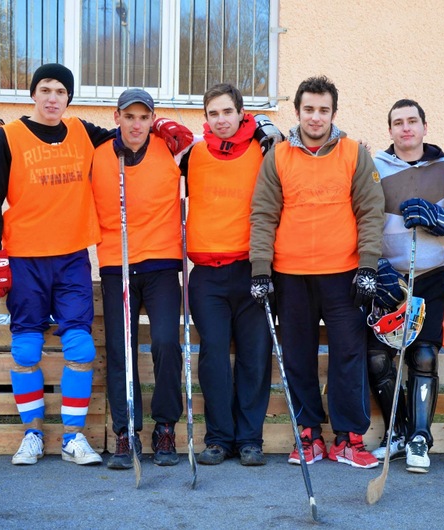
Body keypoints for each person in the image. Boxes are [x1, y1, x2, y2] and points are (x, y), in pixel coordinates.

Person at [0, 63, 113, 466]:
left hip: (71, 256)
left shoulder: (82, 131)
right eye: (46, 89)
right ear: (33, 93)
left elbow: (127, 137)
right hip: (24, 256)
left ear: (69, 97)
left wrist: (164, 130)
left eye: (61, 91)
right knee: (26, 347)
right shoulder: (7, 137)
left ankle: (73, 437)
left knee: (80, 346)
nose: (53, 98)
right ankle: (32, 435)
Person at [250, 75, 385, 469]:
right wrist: (261, 271)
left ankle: (348, 438)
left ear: (333, 113)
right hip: (291, 276)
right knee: (298, 357)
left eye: (323, 110)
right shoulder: (278, 157)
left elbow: (371, 212)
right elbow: (263, 215)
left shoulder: (353, 153)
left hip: (344, 275)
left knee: (349, 355)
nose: (315, 117)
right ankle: (308, 434)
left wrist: (368, 266)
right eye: (308, 109)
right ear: (297, 111)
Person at [91, 89, 193, 469]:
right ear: (116, 117)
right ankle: (125, 430)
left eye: (144, 117)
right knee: (121, 348)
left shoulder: (171, 148)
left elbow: (216, 150)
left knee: (166, 342)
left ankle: (165, 427)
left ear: (153, 119)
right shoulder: (99, 153)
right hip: (116, 262)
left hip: (162, 262)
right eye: (129, 116)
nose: (136, 124)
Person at [368, 99, 444, 473]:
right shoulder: (374, 168)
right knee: (378, 357)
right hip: (388, 278)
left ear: (425, 127)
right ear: (390, 130)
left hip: (431, 275)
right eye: (398, 122)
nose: (406, 128)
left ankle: (419, 438)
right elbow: (360, 216)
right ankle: (397, 433)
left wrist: (442, 221)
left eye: (413, 121)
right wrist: (374, 264)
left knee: (424, 354)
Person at [180, 83, 281, 466]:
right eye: (213, 113)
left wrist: (270, 127)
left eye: (227, 112)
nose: (221, 120)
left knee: (255, 355)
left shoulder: (263, 149)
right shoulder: (192, 155)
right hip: (207, 275)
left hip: (252, 270)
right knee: (214, 358)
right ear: (205, 118)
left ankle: (250, 439)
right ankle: (219, 439)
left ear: (241, 113)